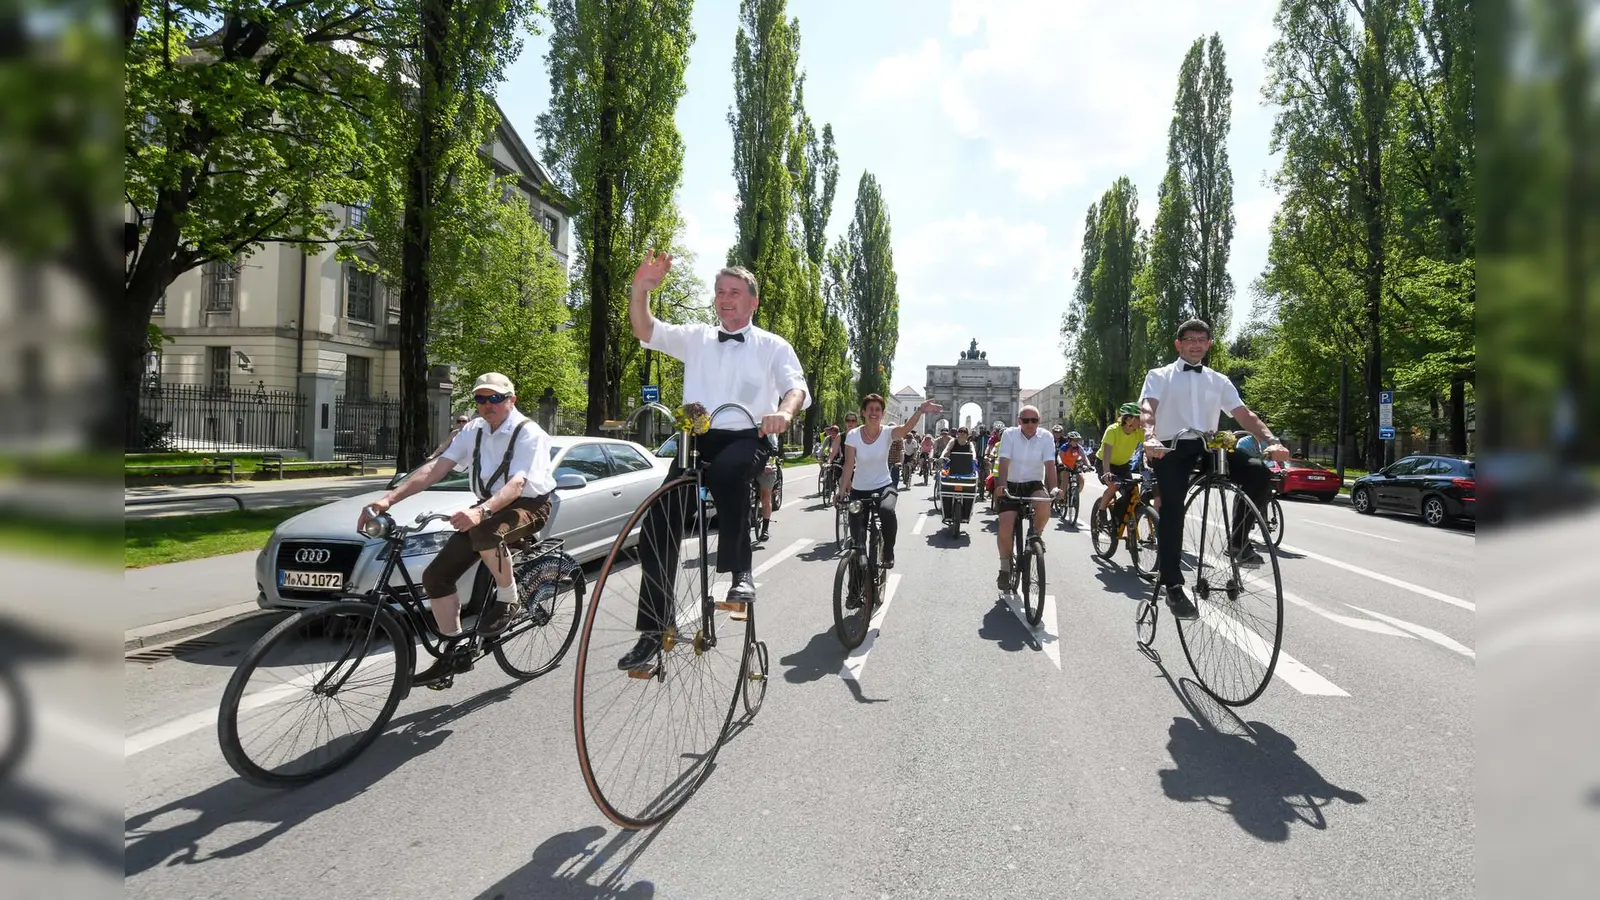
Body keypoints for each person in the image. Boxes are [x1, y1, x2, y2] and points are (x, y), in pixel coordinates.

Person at [619, 250, 809, 671]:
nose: (725, 298)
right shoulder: (698, 337)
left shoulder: (772, 346)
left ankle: (740, 573)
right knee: (658, 520)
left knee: (728, 474)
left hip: (748, 435)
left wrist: (785, 412)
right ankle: (654, 628)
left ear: (753, 301)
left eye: (735, 292)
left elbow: (795, 387)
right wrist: (640, 290)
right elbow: (645, 328)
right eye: (721, 291)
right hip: (696, 436)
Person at [358, 373, 557, 686]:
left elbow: (518, 483)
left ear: (511, 400)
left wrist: (480, 511)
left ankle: (509, 597)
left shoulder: (528, 432)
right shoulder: (474, 430)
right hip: (488, 507)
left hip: (529, 505)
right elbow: (435, 469)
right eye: (481, 399)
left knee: (485, 533)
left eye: (495, 398)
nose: (487, 405)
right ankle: (453, 652)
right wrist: (388, 499)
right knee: (436, 577)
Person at [1140, 318, 1289, 620]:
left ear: (1209, 345)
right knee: (1172, 508)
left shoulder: (1218, 380)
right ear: (1178, 344)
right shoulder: (1159, 376)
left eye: (1202, 339)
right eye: (1190, 339)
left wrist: (1271, 440)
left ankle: (1238, 542)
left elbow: (1244, 415)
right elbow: (1147, 408)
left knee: (1258, 472)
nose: (1196, 344)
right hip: (1171, 446)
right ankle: (1172, 586)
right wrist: (1149, 436)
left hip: (1209, 445)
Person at [836, 394, 942, 577]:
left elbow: (906, 428)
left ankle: (888, 551)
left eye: (878, 410)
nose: (874, 413)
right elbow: (848, 465)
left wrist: (920, 411)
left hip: (884, 487)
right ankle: (854, 592)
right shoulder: (853, 435)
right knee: (857, 543)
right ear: (863, 412)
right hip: (859, 490)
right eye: (870, 409)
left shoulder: (887, 432)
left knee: (886, 511)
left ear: (882, 413)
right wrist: (841, 491)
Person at [993, 406, 1060, 590]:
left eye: (1034, 420)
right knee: (1006, 525)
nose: (1030, 424)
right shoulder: (1009, 434)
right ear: (1018, 420)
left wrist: (1054, 487)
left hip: (1033, 483)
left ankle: (1035, 535)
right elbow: (1004, 461)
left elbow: (1050, 464)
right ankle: (1005, 567)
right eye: (1026, 420)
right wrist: (1002, 486)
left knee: (1044, 502)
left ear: (1039, 421)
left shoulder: (1046, 437)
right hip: (1011, 483)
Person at [1094, 403, 1146, 523]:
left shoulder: (1138, 432)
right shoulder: (1113, 430)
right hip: (1105, 463)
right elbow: (1106, 455)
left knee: (1132, 492)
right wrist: (1107, 473)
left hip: (1123, 466)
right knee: (1114, 485)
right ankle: (1101, 511)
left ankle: (1118, 517)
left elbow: (1148, 445)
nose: (1142, 421)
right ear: (1129, 420)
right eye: (1139, 418)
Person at [754, 431, 780, 545]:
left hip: (766, 467)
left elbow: (773, 449)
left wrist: (767, 464)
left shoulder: (768, 429)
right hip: (748, 466)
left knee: (765, 498)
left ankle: (765, 529)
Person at [1056, 428, 1089, 505]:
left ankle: (1075, 495)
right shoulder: (1065, 447)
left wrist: (1088, 465)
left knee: (1081, 480)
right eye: (1074, 440)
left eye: (1077, 440)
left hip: (1075, 467)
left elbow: (1084, 458)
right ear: (1069, 440)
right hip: (1065, 467)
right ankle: (1061, 498)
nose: (1076, 442)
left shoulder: (1079, 448)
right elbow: (1059, 456)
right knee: (1065, 481)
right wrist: (1060, 463)